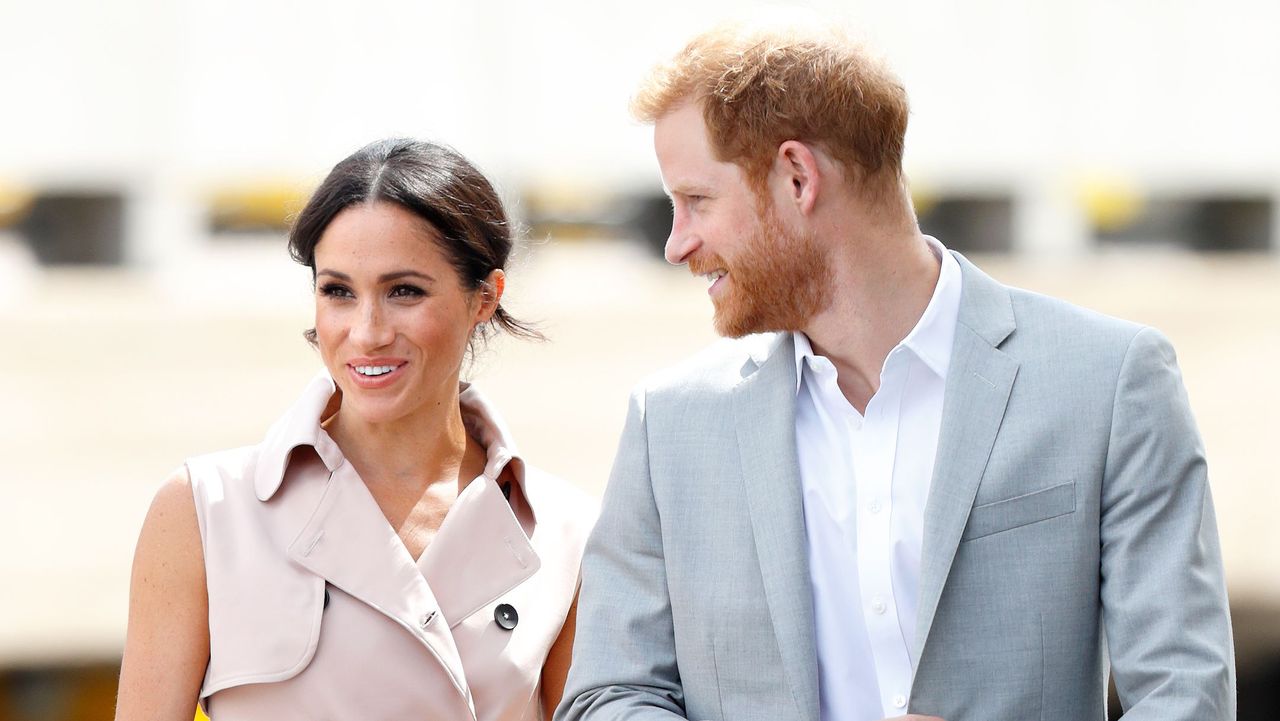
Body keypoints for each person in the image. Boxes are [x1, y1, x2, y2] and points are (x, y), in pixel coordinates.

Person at [556, 21, 1235, 721]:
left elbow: (1185, 694)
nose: (677, 243)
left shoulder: (1110, 381)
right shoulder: (668, 424)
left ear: (798, 177)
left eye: (696, 200)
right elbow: (611, 694)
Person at [116, 138, 596, 721]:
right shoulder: (203, 509)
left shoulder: (567, 533)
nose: (367, 333)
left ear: (485, 298)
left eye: (405, 292)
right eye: (338, 292)